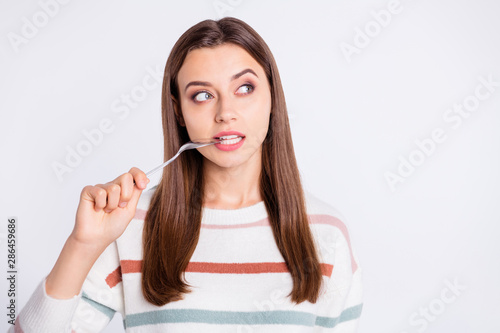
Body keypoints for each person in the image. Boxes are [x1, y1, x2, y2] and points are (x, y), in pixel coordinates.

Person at [10, 17, 363, 332]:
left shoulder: (326, 232)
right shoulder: (131, 225)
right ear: (179, 112)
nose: (226, 112)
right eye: (203, 95)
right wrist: (82, 246)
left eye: (245, 88)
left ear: (273, 97)